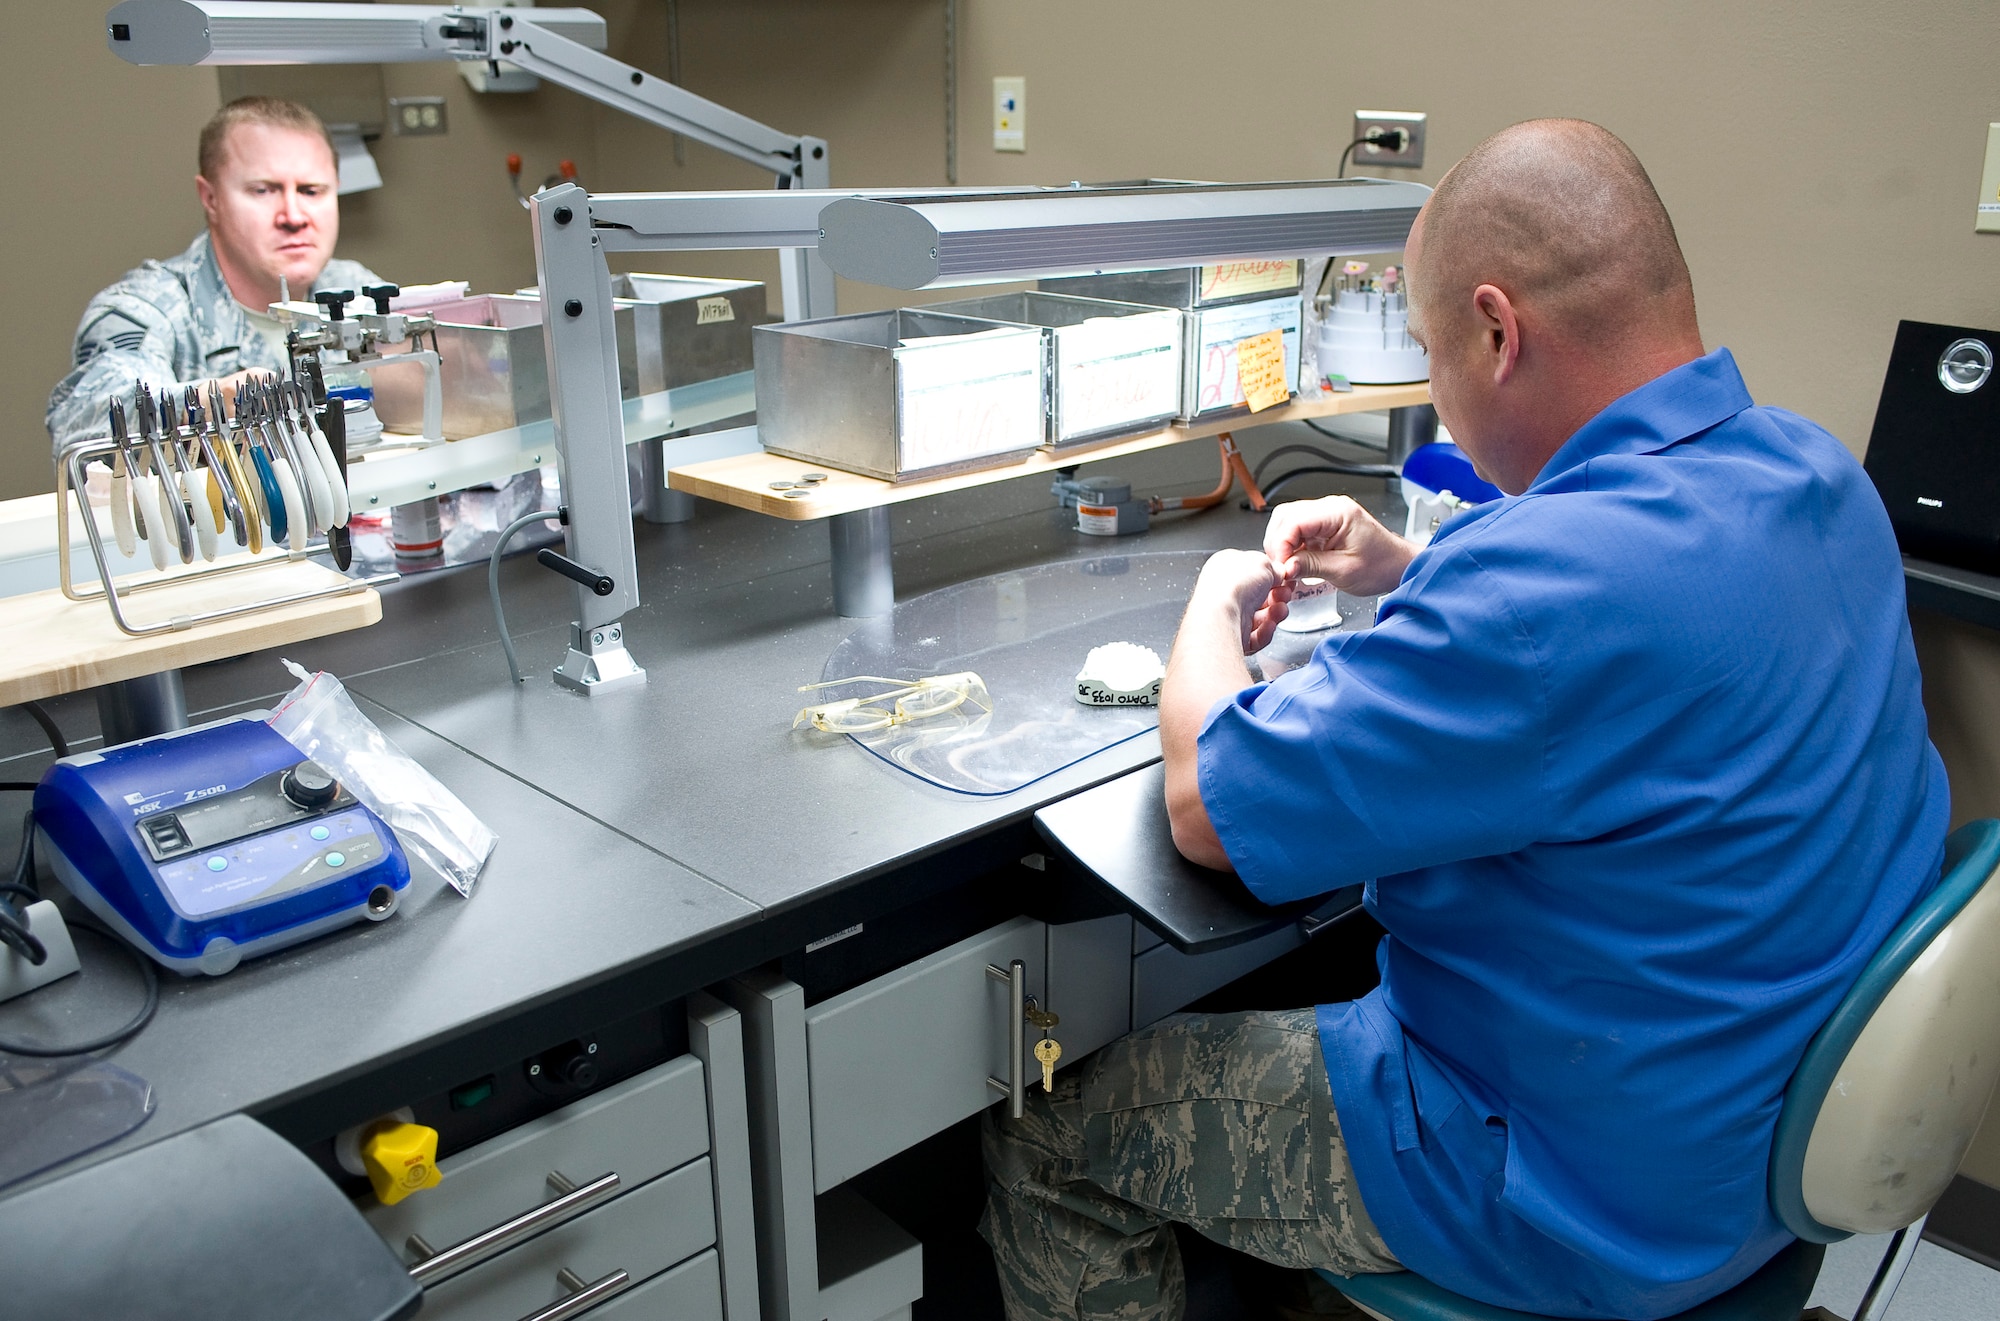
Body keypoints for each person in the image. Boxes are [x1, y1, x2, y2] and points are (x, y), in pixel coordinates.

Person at [981, 119, 1947, 1321]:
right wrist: (1404, 569)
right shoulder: (1813, 476)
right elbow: (1616, 585)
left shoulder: (1541, 603)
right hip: (1756, 1131)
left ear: (1497, 331)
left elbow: (1204, 808)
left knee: (1051, 1137)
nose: (1438, 389)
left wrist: (1212, 601)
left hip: (1576, 1192)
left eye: (1435, 354)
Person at [46, 96, 384, 455]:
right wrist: (208, 404)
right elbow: (86, 419)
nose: (293, 216)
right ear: (210, 198)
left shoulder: (354, 292)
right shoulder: (147, 307)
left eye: (310, 191)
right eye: (263, 190)